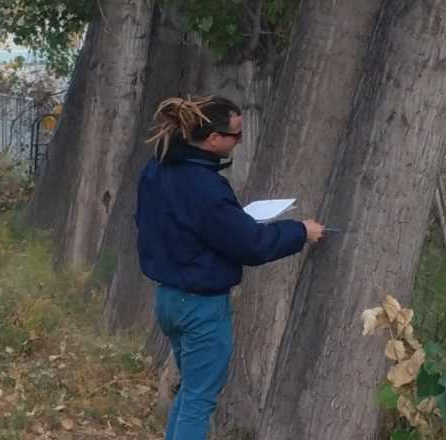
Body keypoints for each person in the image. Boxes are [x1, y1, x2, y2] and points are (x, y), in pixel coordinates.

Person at [135, 95, 324, 439]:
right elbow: (250, 244)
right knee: (198, 399)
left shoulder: (157, 169)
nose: (238, 141)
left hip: (168, 299)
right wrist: (300, 231)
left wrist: (232, 224)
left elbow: (188, 226)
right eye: (235, 135)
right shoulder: (205, 186)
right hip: (201, 307)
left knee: (191, 390)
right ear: (212, 139)